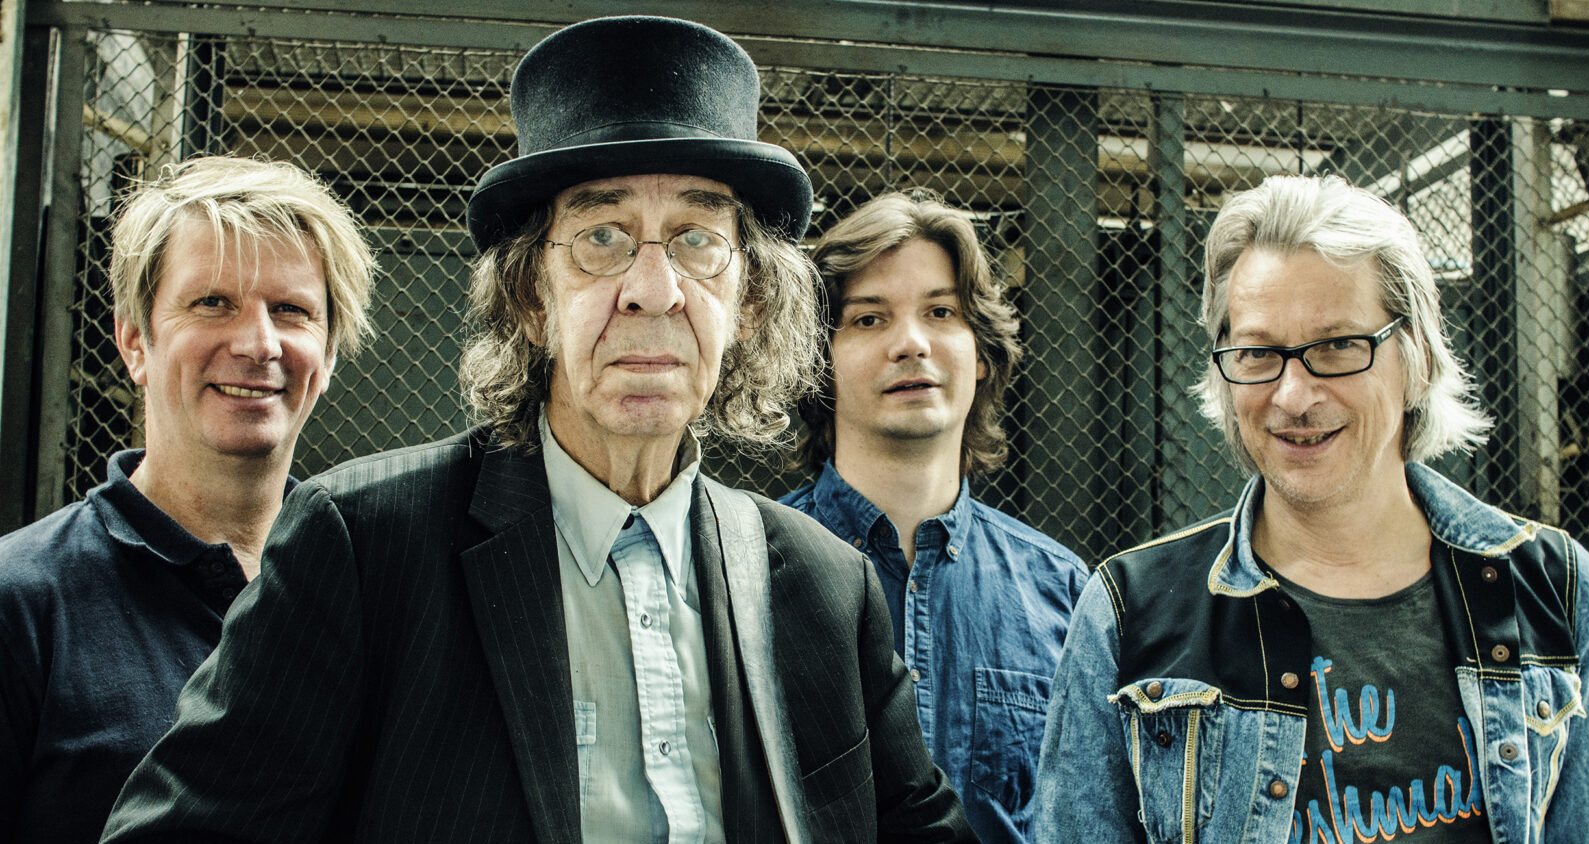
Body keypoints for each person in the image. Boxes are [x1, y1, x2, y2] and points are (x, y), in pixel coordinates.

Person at [102, 16, 974, 843]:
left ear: (747, 301)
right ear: (529, 297)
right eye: (602, 237)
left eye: (698, 240)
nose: (654, 291)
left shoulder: (827, 587)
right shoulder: (364, 547)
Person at [1034, 174, 1589, 843]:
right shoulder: (1131, 611)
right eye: (1258, 352)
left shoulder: (1555, 588)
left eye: (1336, 346)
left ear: (1417, 358)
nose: (1294, 396)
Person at [0, 155, 375, 843]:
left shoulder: (373, 591)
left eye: (291, 311)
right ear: (134, 342)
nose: (259, 344)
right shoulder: (22, 601)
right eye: (212, 303)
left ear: (327, 356)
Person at [780, 191, 1088, 843]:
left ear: (981, 352)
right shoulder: (747, 566)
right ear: (818, 362)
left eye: (941, 312)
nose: (911, 343)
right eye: (869, 319)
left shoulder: (1063, 591)